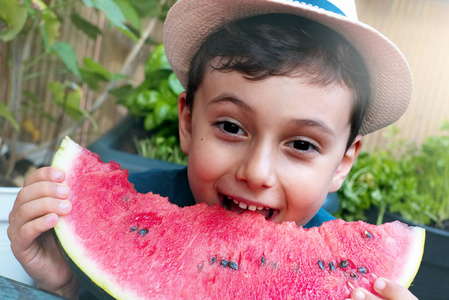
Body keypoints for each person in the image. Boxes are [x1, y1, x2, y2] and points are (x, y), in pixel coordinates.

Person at [8, 0, 417, 299]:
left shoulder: (347, 282)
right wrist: (61, 285)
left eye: (301, 144)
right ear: (188, 123)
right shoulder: (133, 208)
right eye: (231, 127)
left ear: (343, 162)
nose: (256, 172)